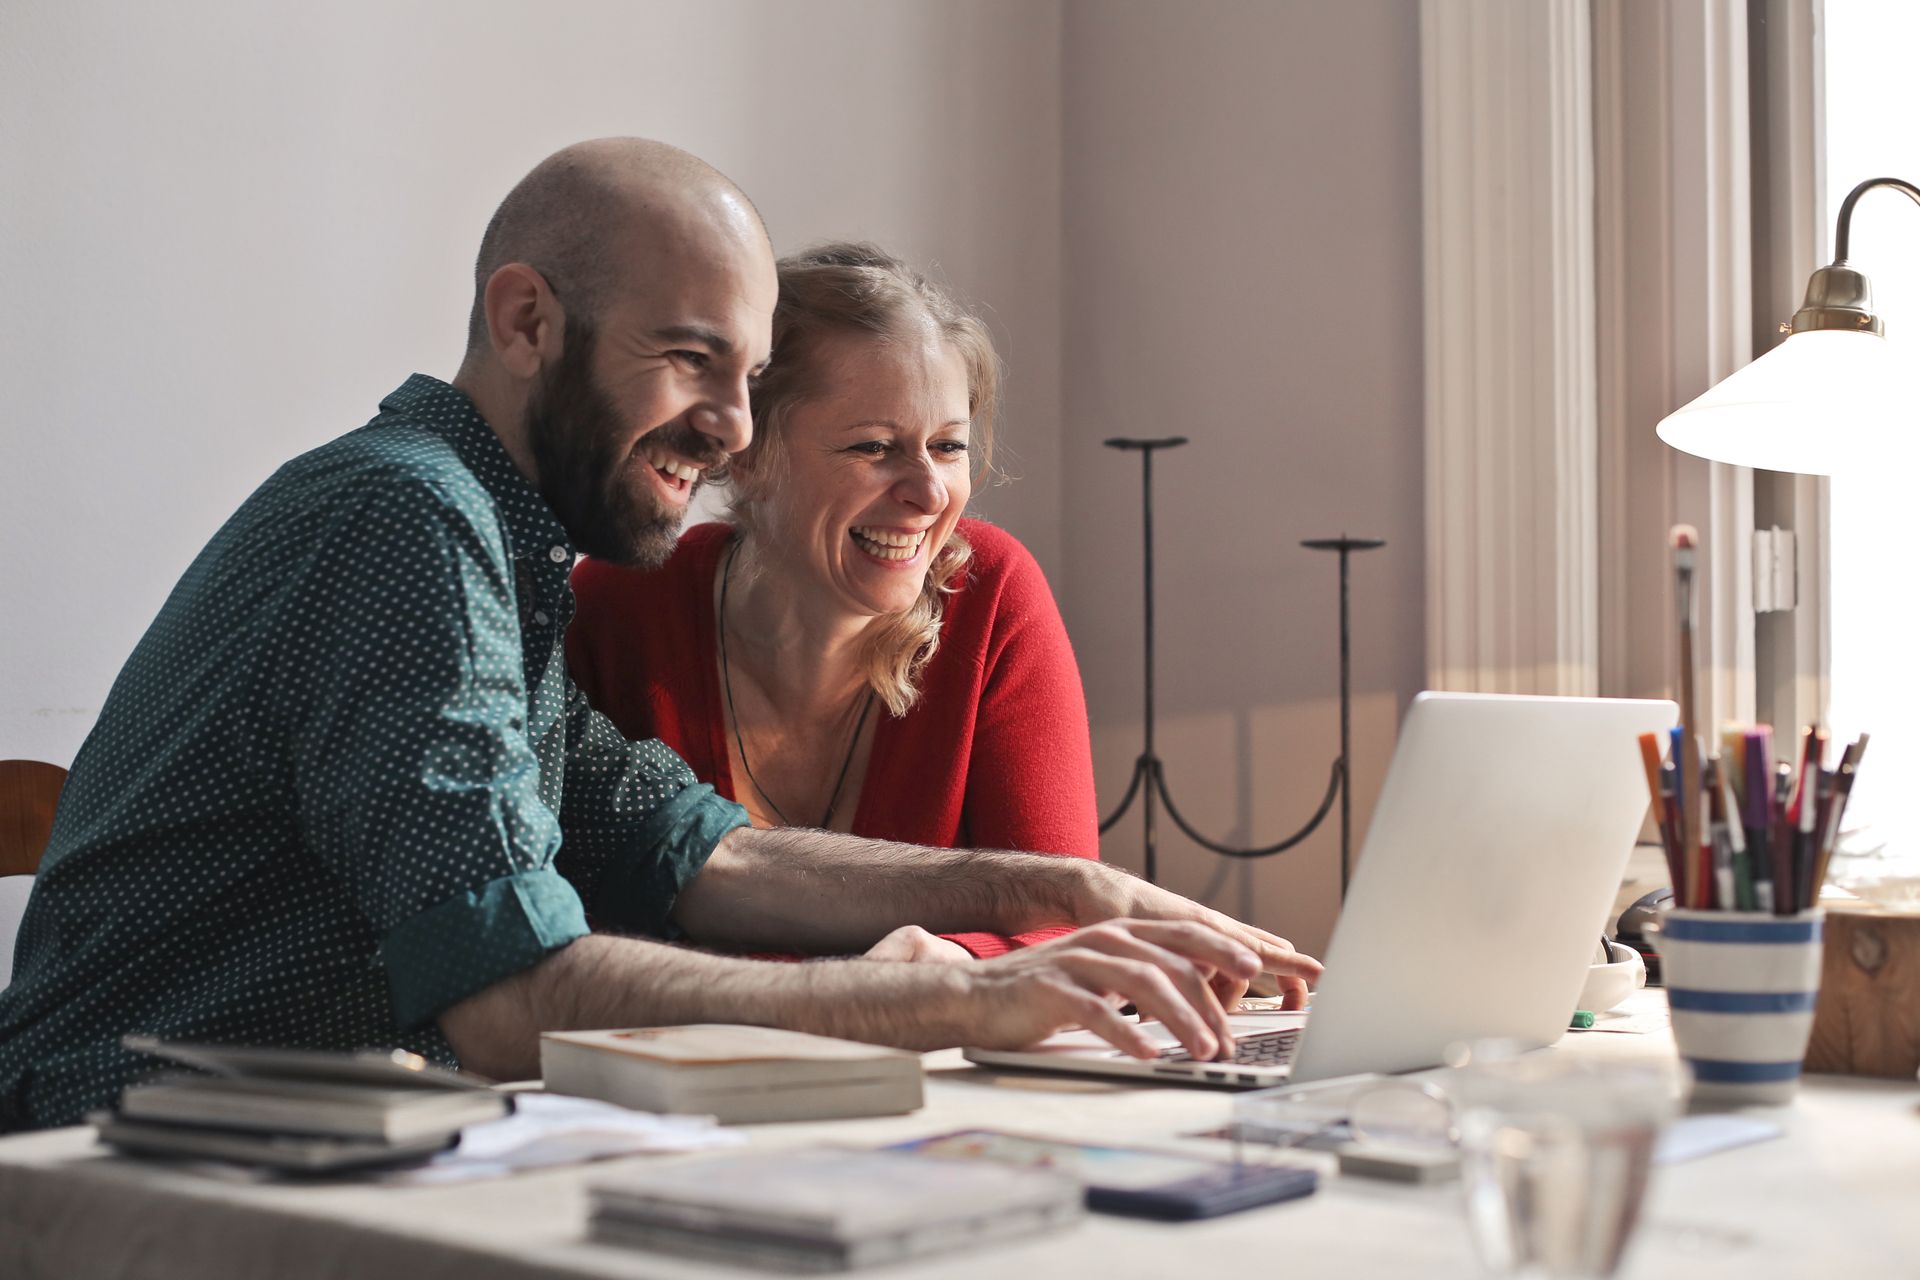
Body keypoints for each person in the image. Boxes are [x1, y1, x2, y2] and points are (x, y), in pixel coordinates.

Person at [0, 139, 1319, 1134]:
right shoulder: (402, 524)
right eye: (691, 362)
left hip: (296, 1142)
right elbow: (510, 998)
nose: (733, 429)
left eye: (747, 379)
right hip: (114, 1155)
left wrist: (1060, 892)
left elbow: (699, 852)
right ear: (526, 322)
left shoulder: (499, 551)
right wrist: (965, 1002)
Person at [568, 243, 1095, 962]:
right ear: (745, 454)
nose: (928, 493)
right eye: (874, 447)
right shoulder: (612, 610)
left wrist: (953, 963)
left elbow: (1066, 911)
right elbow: (557, 925)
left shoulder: (990, 592)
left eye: (948, 447)